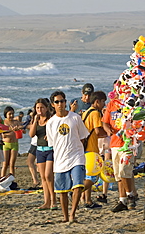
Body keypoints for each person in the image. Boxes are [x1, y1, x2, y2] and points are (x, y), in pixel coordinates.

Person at [46, 90, 89, 223]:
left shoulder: (75, 117)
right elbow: (52, 143)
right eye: (57, 102)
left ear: (66, 102)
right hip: (60, 159)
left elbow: (83, 137)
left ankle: (73, 214)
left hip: (77, 156)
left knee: (78, 186)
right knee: (62, 191)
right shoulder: (51, 122)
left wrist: (78, 149)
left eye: (62, 101)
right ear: (53, 104)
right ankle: (65, 217)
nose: (60, 104)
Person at [102, 97, 138, 212]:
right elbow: (105, 122)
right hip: (114, 143)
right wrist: (108, 130)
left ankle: (131, 195)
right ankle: (122, 200)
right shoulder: (112, 104)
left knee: (124, 169)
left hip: (128, 144)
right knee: (118, 174)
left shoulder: (132, 103)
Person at [81, 91, 108, 209]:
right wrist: (109, 132)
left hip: (84, 148)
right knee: (93, 177)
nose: (104, 104)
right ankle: (77, 191)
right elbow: (98, 131)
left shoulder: (86, 112)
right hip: (92, 148)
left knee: (87, 175)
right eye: (103, 101)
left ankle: (88, 201)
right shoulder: (96, 113)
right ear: (97, 102)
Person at [29, 98, 57, 210]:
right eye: (37, 108)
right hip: (40, 149)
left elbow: (56, 133)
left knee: (48, 175)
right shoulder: (36, 120)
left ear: (46, 108)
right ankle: (47, 201)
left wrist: (50, 136)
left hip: (50, 149)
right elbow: (31, 134)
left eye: (42, 107)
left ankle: (53, 200)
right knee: (43, 178)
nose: (39, 110)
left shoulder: (51, 120)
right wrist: (35, 121)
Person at [2, 106, 25, 177]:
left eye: (12, 114)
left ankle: (12, 180)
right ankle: (2, 178)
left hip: (14, 144)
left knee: (12, 164)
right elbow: (1, 133)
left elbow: (24, 131)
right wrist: (11, 130)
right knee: (5, 164)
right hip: (5, 144)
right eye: (9, 114)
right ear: (6, 114)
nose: (11, 116)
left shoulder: (16, 122)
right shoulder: (3, 122)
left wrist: (20, 129)